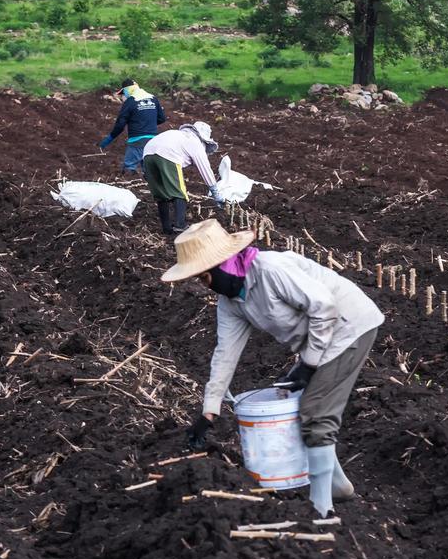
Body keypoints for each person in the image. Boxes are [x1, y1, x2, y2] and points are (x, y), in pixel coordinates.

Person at [162, 220, 384, 518]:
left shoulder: (268, 270)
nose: (203, 285)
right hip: (319, 340)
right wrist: (209, 410)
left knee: (316, 410)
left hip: (349, 325)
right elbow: (225, 352)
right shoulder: (230, 301)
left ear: (219, 265)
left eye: (203, 278)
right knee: (301, 406)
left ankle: (321, 509)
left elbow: (324, 307)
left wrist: (308, 364)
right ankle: (338, 485)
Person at [141, 121, 222, 237]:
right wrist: (215, 191)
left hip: (147, 155)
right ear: (203, 139)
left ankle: (166, 228)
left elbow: (152, 148)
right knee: (179, 193)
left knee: (161, 195)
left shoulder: (176, 135)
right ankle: (180, 225)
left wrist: (145, 169)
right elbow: (205, 169)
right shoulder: (195, 142)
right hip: (168, 156)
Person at [97, 79, 166, 172]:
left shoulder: (130, 102)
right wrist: (147, 123)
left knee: (129, 167)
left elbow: (120, 125)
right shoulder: (153, 98)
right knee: (148, 170)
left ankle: (127, 181)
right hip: (152, 140)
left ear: (127, 90)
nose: (123, 96)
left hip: (137, 140)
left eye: (123, 93)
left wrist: (108, 140)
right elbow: (162, 118)